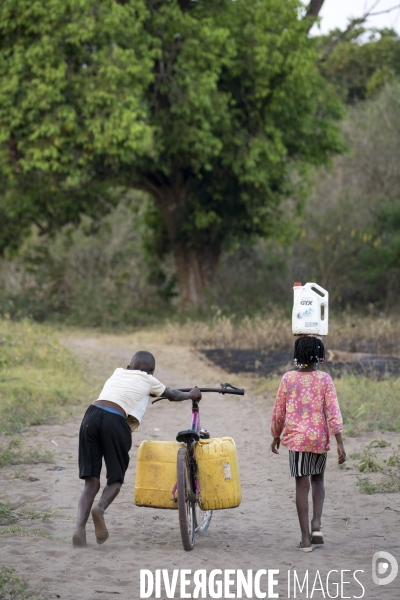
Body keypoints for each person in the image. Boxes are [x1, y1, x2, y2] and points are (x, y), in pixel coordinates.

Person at [72, 350, 201, 548]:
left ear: (129, 367)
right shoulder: (148, 379)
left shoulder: (118, 372)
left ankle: (79, 530)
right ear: (151, 372)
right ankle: (100, 508)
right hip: (115, 420)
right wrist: (192, 394)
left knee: (91, 482)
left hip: (91, 415)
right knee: (115, 480)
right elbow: (173, 395)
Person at [270, 336, 346, 552]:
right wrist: (339, 440)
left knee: (301, 486)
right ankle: (316, 524)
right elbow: (333, 410)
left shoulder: (288, 379)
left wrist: (276, 435)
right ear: (319, 356)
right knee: (318, 480)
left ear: (298, 355)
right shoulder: (325, 379)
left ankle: (305, 540)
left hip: (297, 439)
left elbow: (279, 410)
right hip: (319, 438)